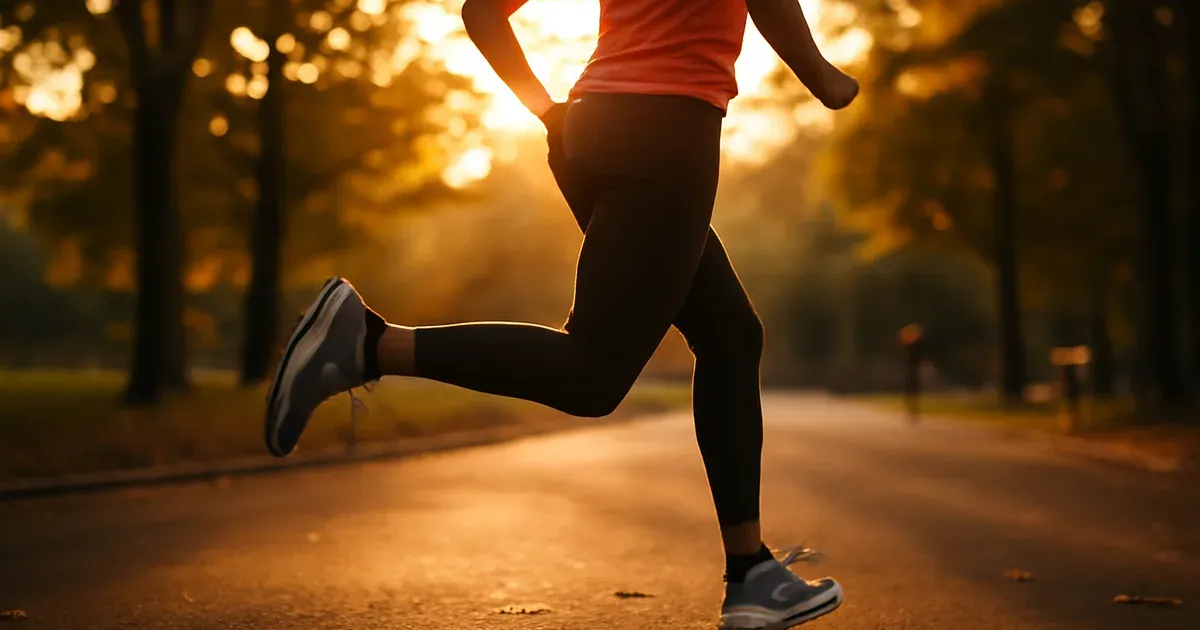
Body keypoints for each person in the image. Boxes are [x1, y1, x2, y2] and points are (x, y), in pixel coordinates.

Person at [264, 0, 858, 626]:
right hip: (667, 135)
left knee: (730, 336)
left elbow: (482, 12)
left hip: (591, 126)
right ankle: (369, 343)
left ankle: (752, 574)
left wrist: (548, 112)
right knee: (592, 375)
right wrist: (822, 76)